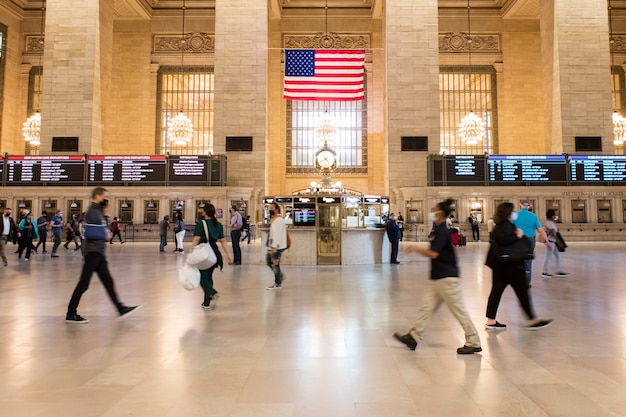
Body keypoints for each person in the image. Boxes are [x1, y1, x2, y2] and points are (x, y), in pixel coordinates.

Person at [393, 199, 482, 355]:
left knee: (458, 310)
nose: (432, 211)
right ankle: (413, 337)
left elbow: (434, 253)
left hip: (447, 278)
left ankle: (473, 341)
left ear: (440, 212)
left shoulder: (442, 230)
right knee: (427, 309)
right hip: (438, 277)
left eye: (435, 209)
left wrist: (414, 248)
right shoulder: (440, 228)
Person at [65, 187, 140, 323]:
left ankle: (120, 308)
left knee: (108, 281)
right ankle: (71, 313)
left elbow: (105, 230)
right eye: (106, 196)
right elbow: (93, 233)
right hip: (92, 251)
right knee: (84, 283)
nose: (107, 199)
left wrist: (106, 215)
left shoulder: (98, 211)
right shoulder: (92, 211)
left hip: (98, 251)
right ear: (98, 196)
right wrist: (105, 233)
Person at [485, 202, 553, 330]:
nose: (514, 213)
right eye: (512, 211)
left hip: (500, 265)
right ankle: (532, 320)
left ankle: (491, 320)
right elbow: (506, 240)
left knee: (496, 292)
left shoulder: (498, 225)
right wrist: (518, 235)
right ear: (508, 213)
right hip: (512, 266)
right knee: (522, 292)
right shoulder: (506, 226)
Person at [192, 203, 232, 310]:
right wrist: (229, 255)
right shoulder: (218, 225)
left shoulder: (201, 223)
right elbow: (223, 241)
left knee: (200, 277)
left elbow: (196, 239)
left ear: (205, 212)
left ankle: (212, 292)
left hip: (203, 252)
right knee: (208, 276)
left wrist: (192, 251)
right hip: (214, 253)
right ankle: (206, 302)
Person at [512, 199, 551, 286]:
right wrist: (547, 242)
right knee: (528, 260)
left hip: (518, 239)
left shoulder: (515, 216)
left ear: (520, 205)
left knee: (518, 259)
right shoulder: (533, 216)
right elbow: (541, 230)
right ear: (529, 206)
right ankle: (527, 282)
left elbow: (510, 227)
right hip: (530, 240)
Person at [266, 202, 287, 290]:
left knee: (275, 264)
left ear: (277, 209)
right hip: (275, 247)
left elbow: (277, 235)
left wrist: (274, 246)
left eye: (272, 208)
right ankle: (280, 277)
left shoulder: (278, 220)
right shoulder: (275, 219)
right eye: (269, 208)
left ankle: (278, 283)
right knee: (271, 262)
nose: (270, 209)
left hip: (277, 248)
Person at [541, 209, 569, 278]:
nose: (555, 216)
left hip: (552, 242)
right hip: (551, 242)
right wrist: (558, 241)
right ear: (551, 216)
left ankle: (559, 271)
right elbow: (553, 232)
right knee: (548, 257)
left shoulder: (549, 222)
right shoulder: (550, 223)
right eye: (554, 215)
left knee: (558, 256)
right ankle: (544, 272)